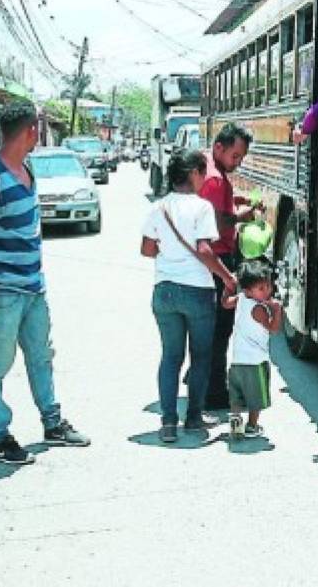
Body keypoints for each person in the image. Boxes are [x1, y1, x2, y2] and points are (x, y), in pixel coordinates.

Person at [0, 102, 89, 465]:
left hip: (34, 290)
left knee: (41, 358)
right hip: (2, 293)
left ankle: (53, 422)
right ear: (32, 130)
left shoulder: (26, 169)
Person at [140, 149, 237, 443]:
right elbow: (206, 250)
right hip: (197, 292)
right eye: (202, 173)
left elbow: (146, 249)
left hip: (165, 291)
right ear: (193, 173)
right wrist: (227, 277)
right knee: (201, 356)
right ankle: (194, 419)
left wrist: (167, 251)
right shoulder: (202, 207)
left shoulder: (158, 207)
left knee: (170, 356)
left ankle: (168, 422)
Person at [199, 122, 262, 411]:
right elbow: (216, 220)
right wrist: (243, 217)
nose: (237, 162)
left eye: (241, 157)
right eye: (235, 156)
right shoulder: (214, 178)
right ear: (219, 148)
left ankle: (200, 378)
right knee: (220, 330)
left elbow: (219, 203)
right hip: (218, 258)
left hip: (215, 258)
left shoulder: (214, 173)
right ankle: (214, 392)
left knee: (215, 328)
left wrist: (236, 199)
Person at [220, 258, 283, 439]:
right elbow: (274, 329)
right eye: (261, 288)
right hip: (256, 362)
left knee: (236, 400)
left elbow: (225, 303)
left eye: (268, 286)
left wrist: (228, 287)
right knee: (256, 399)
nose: (268, 291)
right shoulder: (259, 309)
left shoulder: (240, 299)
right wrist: (277, 311)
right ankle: (252, 426)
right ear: (248, 290)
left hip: (237, 361)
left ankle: (236, 429)